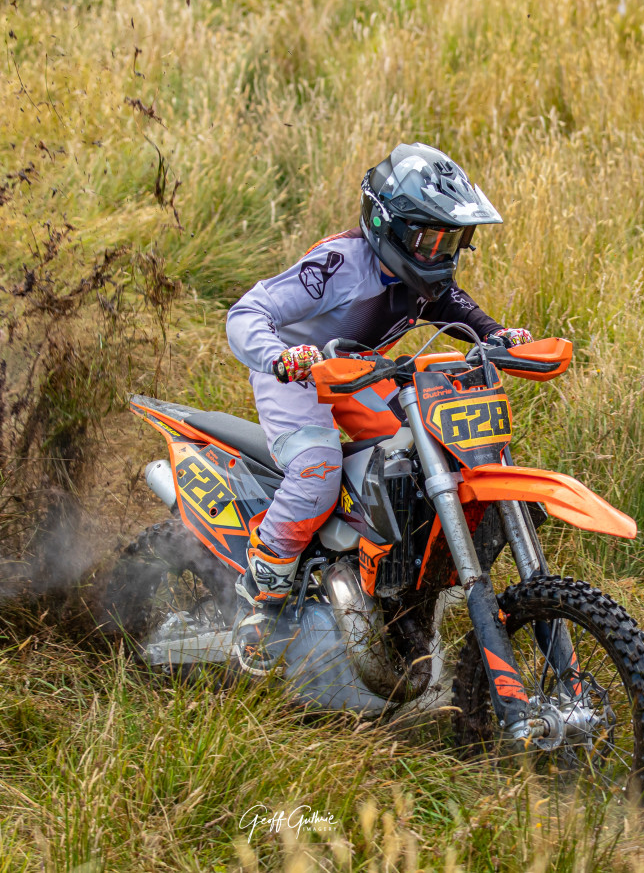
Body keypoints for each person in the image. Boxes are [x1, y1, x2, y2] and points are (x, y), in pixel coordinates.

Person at [225, 142, 533, 674]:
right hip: (298, 372)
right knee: (319, 469)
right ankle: (262, 594)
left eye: (451, 240)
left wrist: (495, 334)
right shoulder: (339, 265)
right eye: (430, 239)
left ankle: (387, 584)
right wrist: (279, 357)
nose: (441, 253)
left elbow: (448, 302)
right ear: (387, 225)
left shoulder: (419, 276)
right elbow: (247, 310)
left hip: (359, 370)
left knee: (419, 455)